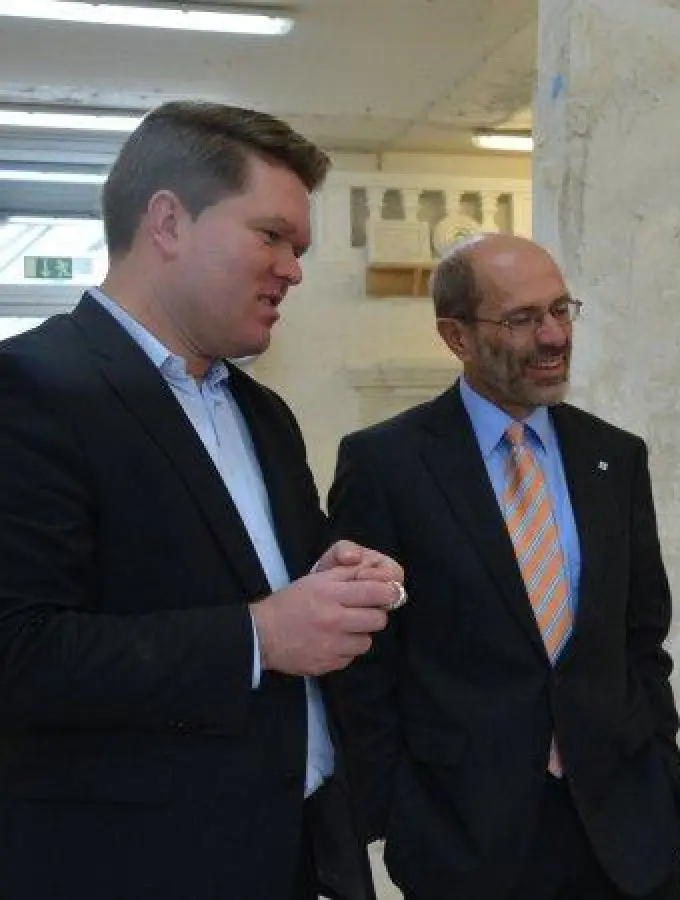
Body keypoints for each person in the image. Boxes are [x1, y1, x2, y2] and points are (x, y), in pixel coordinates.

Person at [0, 100, 405, 900]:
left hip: (298, 855)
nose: (293, 268)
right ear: (168, 222)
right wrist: (258, 637)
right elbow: (20, 651)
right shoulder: (29, 388)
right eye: (272, 236)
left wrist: (340, 574)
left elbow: (271, 582)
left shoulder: (261, 412)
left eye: (299, 247)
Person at [327, 233, 680, 899]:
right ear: (457, 336)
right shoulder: (386, 465)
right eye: (523, 319)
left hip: (624, 834)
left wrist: (663, 773)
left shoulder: (615, 458)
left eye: (561, 310)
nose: (554, 336)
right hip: (469, 843)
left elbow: (641, 640)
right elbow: (365, 666)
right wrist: (397, 812)